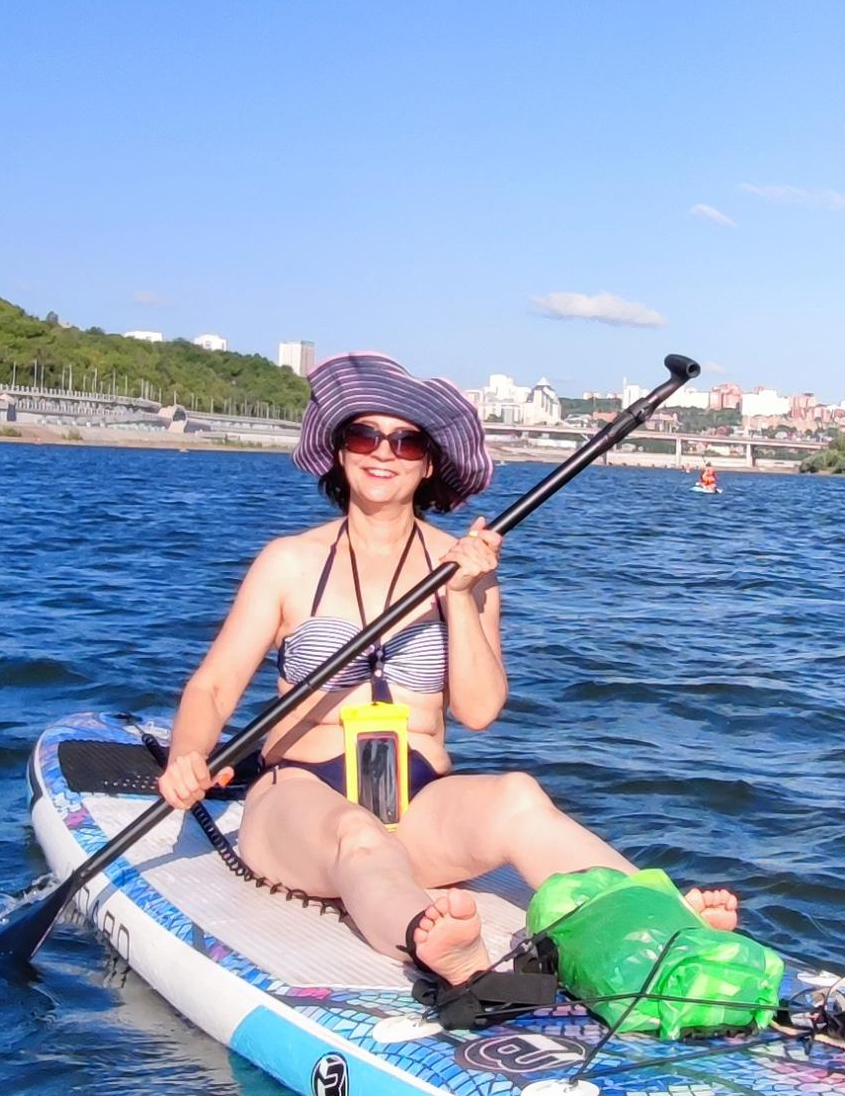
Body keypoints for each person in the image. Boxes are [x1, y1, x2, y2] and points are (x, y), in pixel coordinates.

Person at [158, 348, 738, 987]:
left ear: (429, 461)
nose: (384, 452)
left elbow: (479, 711)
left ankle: (660, 922)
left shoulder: (466, 565)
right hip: (299, 797)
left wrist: (461, 596)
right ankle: (434, 945)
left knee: (518, 796)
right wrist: (187, 755)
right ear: (340, 450)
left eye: (406, 442)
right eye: (365, 434)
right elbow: (213, 686)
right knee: (356, 834)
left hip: (418, 801)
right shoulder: (288, 562)